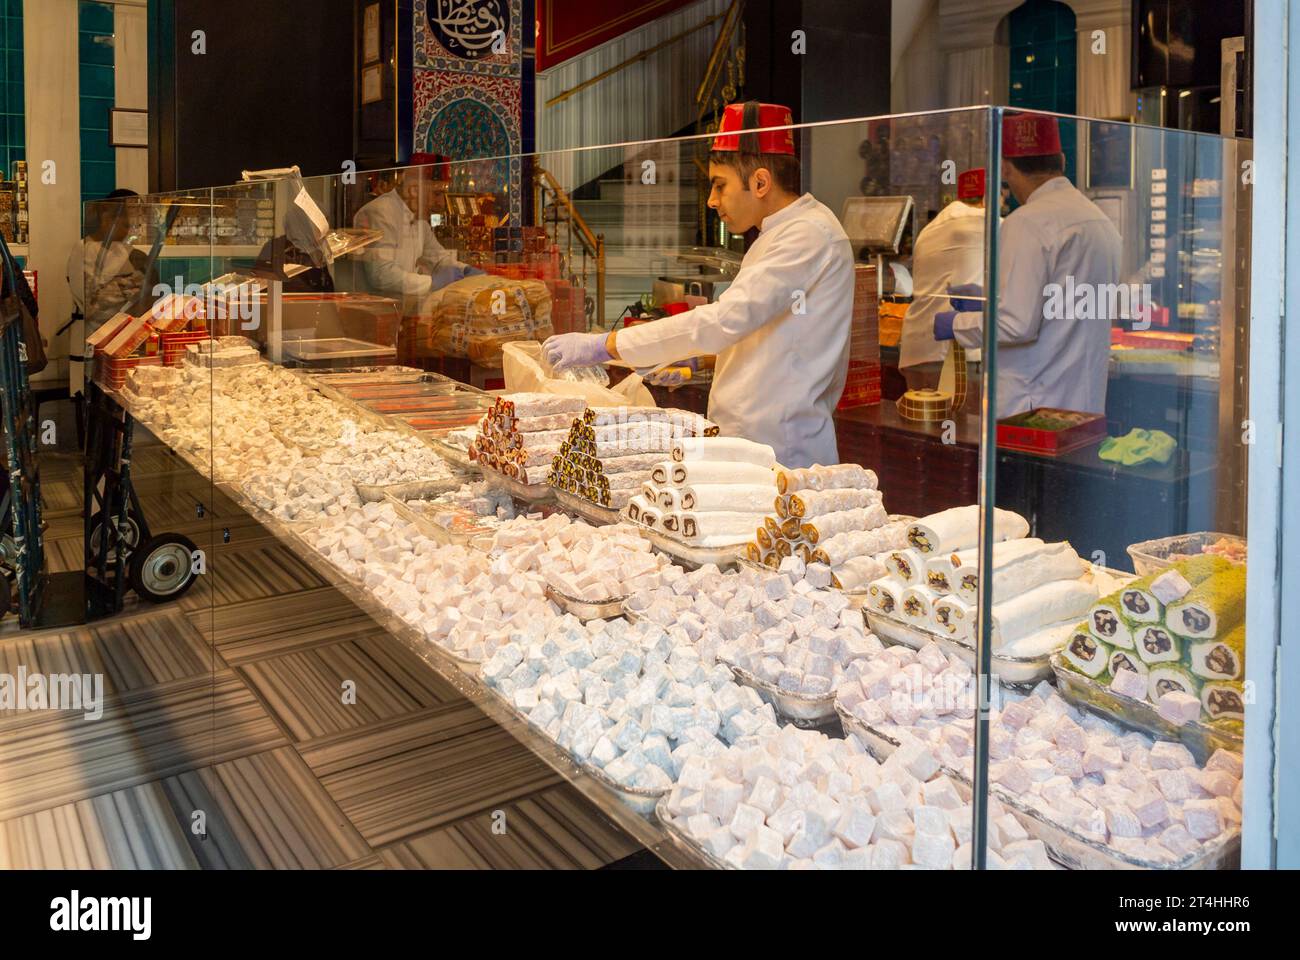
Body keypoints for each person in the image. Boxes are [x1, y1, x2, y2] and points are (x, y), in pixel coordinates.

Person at [541, 101, 854, 468]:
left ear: (761, 182)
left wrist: (605, 344)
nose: (711, 200)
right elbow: (767, 333)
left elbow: (725, 321)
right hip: (751, 442)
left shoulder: (808, 235)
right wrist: (697, 359)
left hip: (783, 449)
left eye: (720, 186)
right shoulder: (779, 232)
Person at [935, 113, 1122, 418]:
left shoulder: (1026, 222)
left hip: (1031, 407)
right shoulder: (1099, 221)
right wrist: (988, 298)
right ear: (1061, 160)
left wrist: (955, 325)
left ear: (1006, 168)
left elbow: (1015, 324)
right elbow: (1062, 302)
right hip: (1083, 404)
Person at [899, 167, 989, 390]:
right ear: (987, 197)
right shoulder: (991, 224)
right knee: (964, 423)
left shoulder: (929, 230)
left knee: (924, 423)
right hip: (960, 354)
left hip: (917, 349)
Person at [352, 161, 481, 312]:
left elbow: (438, 259)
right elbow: (381, 275)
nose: (441, 203)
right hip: (373, 311)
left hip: (403, 309)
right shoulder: (380, 212)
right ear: (414, 190)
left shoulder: (419, 219)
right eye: (437, 194)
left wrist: (467, 272)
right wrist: (432, 282)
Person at [66, 188, 153, 327]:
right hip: (93, 331)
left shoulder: (126, 251)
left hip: (125, 328)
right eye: (126, 224)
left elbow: (146, 290)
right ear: (108, 217)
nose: (130, 229)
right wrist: (128, 287)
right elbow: (95, 302)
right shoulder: (84, 249)